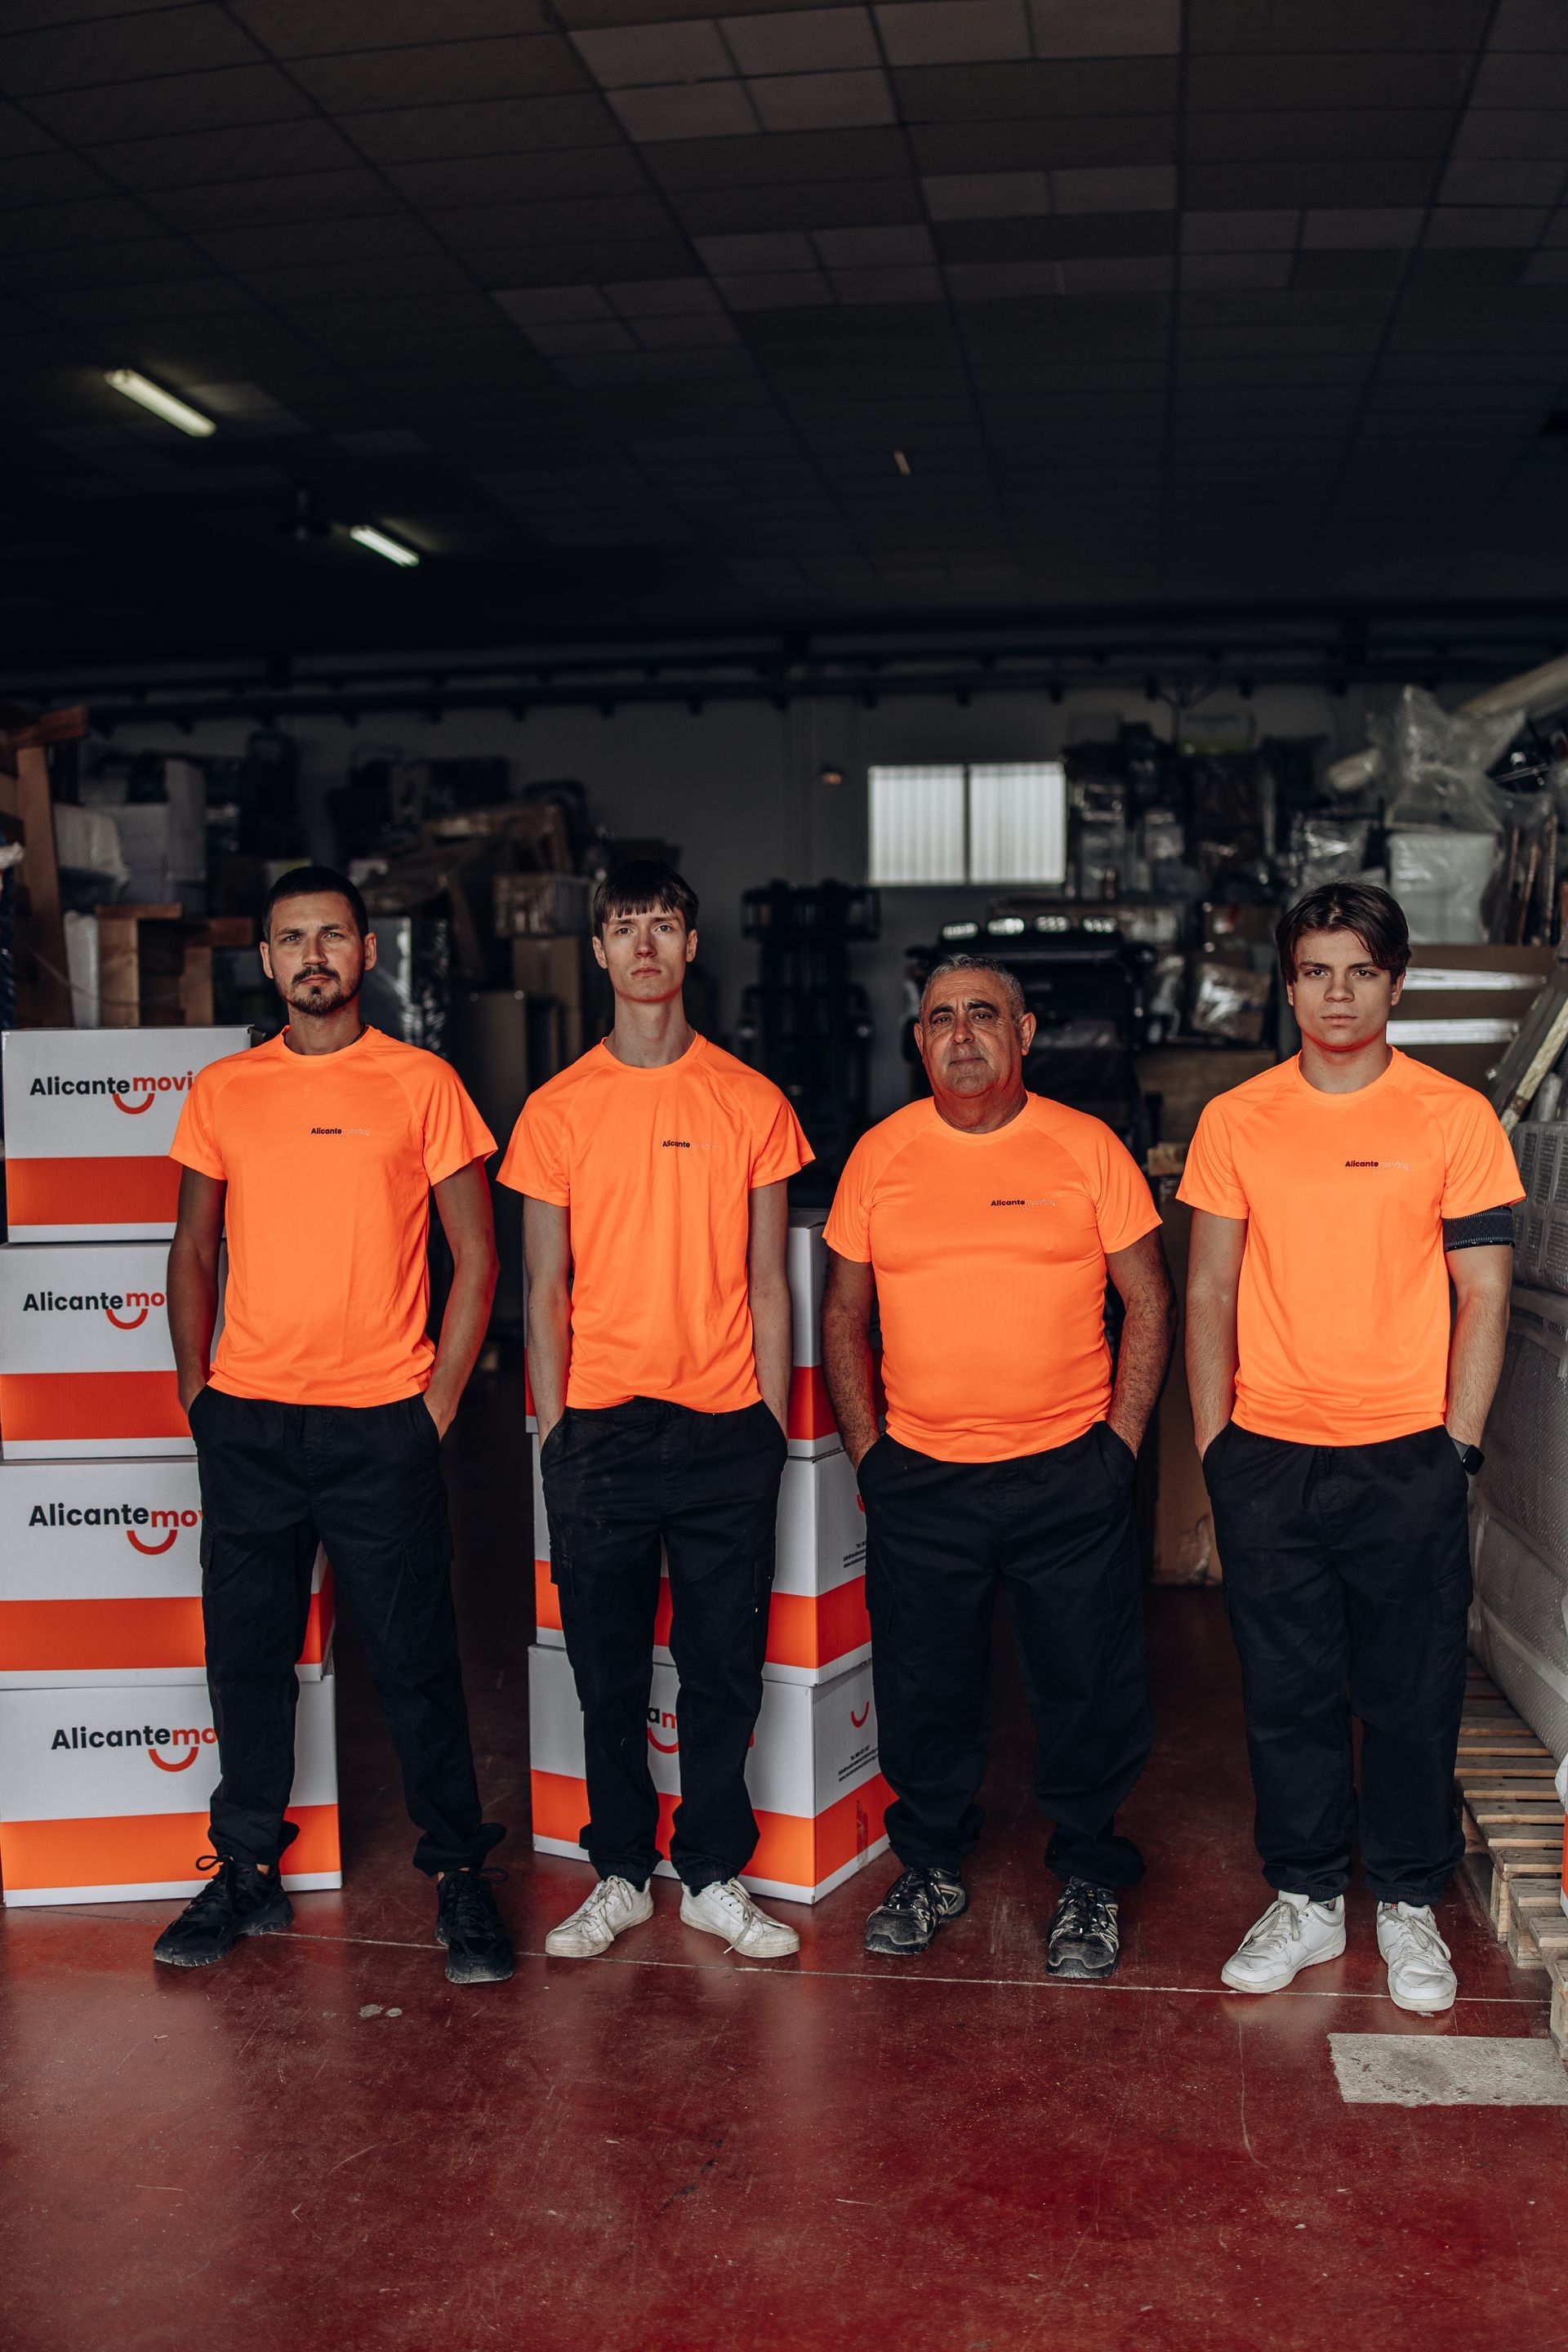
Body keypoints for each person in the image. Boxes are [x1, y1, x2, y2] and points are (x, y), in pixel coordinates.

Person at [154, 865, 512, 1985]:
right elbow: (193, 1249)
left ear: (365, 956)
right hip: (251, 1424)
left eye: (334, 936)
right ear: (267, 960)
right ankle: (248, 1870)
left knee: (414, 1663)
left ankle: (460, 1872)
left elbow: (477, 1255)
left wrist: (440, 1402)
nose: (314, 954)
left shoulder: (424, 1085)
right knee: (246, 1660)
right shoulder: (224, 1091)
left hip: (378, 1427)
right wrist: (197, 1394)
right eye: (293, 938)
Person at [1182, 883, 1520, 2016]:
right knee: (1288, 1692)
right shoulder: (1240, 1119)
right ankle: (1310, 1899)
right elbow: (1209, 1288)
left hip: (1408, 1457)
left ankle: (1412, 1906)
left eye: (1359, 971)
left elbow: (1486, 1292)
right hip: (1272, 1455)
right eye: (1316, 971)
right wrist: (1218, 1445)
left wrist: (1456, 1450)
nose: (1337, 993)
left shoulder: (1453, 1118)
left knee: (1415, 1692)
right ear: (1287, 985)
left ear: (1397, 982)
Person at [821, 955, 1174, 1975]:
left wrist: (1120, 1446)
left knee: (1087, 1685)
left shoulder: (1086, 1147)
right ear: (918, 1039)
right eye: (941, 1017)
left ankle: (1090, 1879)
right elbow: (845, 1315)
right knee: (927, 1687)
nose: (963, 1033)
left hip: (1068, 1470)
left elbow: (1148, 1299)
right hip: (922, 1476)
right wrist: (869, 1452)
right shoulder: (881, 1157)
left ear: (1025, 1034)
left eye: (985, 1014)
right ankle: (929, 1865)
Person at [504, 860, 813, 1961]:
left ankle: (715, 1874)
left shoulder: (750, 1101)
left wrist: (770, 1422)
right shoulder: (555, 1111)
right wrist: (555, 1428)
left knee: (726, 1669)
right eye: (624, 927)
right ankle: (623, 1873)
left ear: (691, 949)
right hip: (600, 1433)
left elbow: (770, 1279)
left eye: (664, 926)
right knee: (609, 1674)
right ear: (598, 953)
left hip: (727, 1427)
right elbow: (541, 1285)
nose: (644, 945)